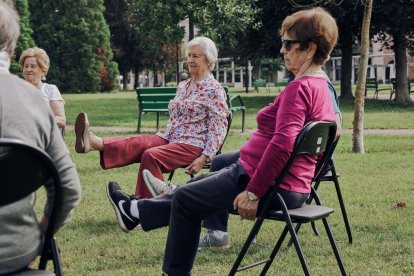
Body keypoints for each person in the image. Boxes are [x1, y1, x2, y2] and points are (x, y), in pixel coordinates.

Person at [106, 7, 339, 275]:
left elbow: (283, 144)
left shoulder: (300, 88)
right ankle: (135, 209)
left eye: (288, 44)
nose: (282, 50)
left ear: (310, 49)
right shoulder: (321, 85)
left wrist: (253, 192)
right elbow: (324, 142)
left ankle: (143, 220)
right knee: (193, 190)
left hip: (261, 182)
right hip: (284, 184)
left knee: (185, 200)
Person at [74, 36, 230, 199]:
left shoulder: (214, 90)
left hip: (194, 145)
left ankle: (144, 208)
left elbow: (219, 128)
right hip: (171, 138)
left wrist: (204, 157)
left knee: (151, 154)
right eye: (189, 56)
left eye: (195, 56)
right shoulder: (183, 85)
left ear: (209, 59)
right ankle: (93, 143)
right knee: (139, 142)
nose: (190, 60)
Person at [0, 2, 81, 274]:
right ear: (10, 46)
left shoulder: (45, 92)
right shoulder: (32, 102)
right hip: (16, 255)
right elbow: (68, 189)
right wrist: (42, 235)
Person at [19, 47, 66, 129]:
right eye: (26, 66)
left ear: (43, 70)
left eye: (33, 66)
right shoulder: (15, 89)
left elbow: (61, 120)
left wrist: (37, 120)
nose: (28, 69)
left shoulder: (50, 90)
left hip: (43, 136)